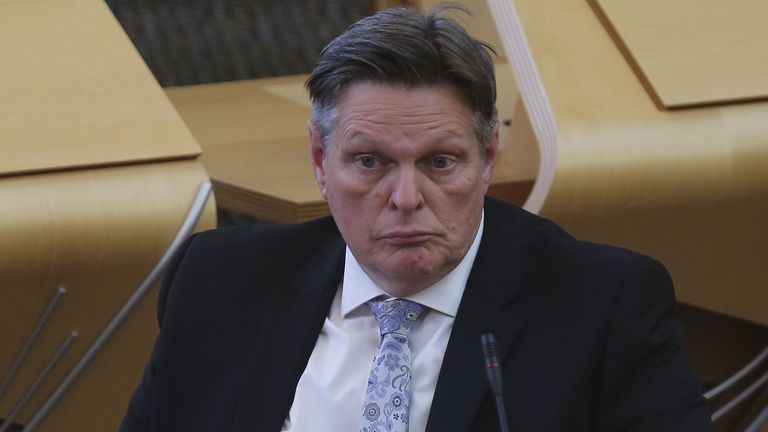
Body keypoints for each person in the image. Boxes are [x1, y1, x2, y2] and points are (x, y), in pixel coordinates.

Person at [121, 5, 714, 431]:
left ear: (488, 160)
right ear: (319, 163)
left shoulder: (601, 306)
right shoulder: (218, 281)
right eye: (370, 162)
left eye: (439, 162)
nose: (406, 196)